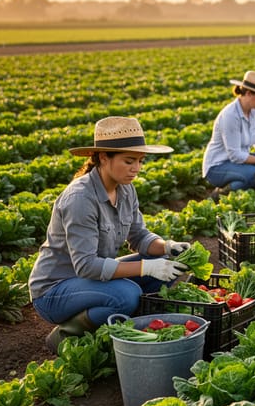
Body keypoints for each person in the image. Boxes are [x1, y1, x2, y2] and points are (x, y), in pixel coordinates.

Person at [29, 116, 192, 353]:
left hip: (91, 280)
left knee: (166, 265)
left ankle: (123, 321)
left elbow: (138, 236)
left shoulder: (126, 189)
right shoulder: (80, 199)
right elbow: (86, 266)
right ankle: (66, 335)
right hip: (55, 290)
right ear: (104, 157)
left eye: (140, 161)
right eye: (129, 161)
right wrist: (146, 268)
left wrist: (166, 247)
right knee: (127, 294)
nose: (136, 168)